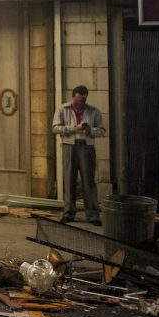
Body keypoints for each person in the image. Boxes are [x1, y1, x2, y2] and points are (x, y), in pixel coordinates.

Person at [52, 85, 106, 226]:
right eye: (77, 102)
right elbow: (55, 128)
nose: (80, 104)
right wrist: (72, 129)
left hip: (86, 147)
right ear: (72, 97)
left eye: (83, 102)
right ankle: (69, 213)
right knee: (69, 180)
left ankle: (93, 215)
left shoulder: (94, 111)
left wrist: (89, 130)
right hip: (69, 146)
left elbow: (101, 131)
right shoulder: (62, 109)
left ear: (86, 98)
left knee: (88, 181)